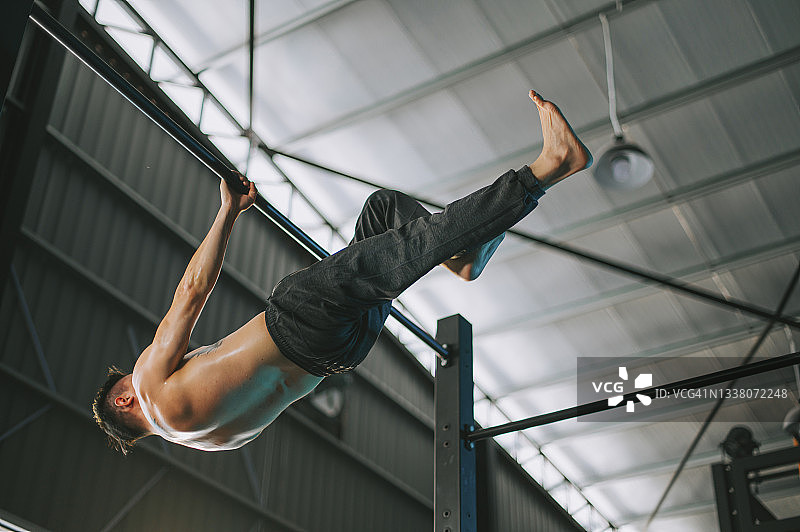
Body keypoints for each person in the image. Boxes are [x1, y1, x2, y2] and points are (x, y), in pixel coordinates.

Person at [92, 90, 592, 453]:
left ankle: (464, 257)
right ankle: (549, 167)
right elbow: (191, 294)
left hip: (339, 354)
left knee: (383, 214)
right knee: (410, 245)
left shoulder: (213, 442)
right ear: (122, 400)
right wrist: (229, 210)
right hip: (299, 316)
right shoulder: (149, 386)